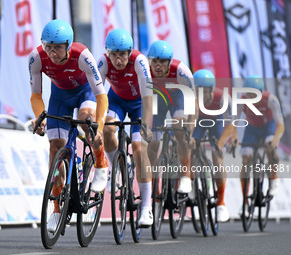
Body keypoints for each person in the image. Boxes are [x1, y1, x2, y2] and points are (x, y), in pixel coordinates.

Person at [29, 20, 109, 232]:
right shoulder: (36, 58)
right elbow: (36, 96)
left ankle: (101, 162)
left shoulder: (82, 55)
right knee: (55, 145)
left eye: (57, 48)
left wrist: (98, 127)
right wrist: (40, 118)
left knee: (86, 120)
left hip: (85, 92)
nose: (52, 53)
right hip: (60, 97)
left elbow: (101, 96)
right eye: (48, 47)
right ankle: (56, 208)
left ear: (68, 45)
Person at [97, 28, 153, 227]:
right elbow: (96, 93)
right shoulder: (103, 62)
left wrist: (145, 126)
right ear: (108, 53)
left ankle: (146, 207)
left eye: (122, 54)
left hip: (140, 104)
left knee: (139, 148)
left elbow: (148, 99)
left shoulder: (139, 61)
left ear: (129, 53)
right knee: (106, 130)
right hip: (117, 100)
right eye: (114, 54)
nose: (118, 59)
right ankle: (116, 168)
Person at [146, 40, 197, 194]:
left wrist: (190, 129)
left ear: (169, 62)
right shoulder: (145, 71)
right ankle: (154, 187)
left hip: (177, 97)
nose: (158, 65)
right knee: (153, 144)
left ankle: (185, 173)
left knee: (178, 126)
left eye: (162, 61)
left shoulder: (181, 71)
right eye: (154, 61)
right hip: (158, 100)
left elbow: (194, 102)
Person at [192, 69, 236, 222]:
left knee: (217, 156)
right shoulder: (190, 98)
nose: (200, 95)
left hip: (216, 122)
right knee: (189, 146)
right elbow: (186, 121)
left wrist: (220, 143)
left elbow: (230, 125)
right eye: (197, 91)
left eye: (204, 91)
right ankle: (192, 179)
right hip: (197, 121)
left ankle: (221, 202)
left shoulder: (223, 98)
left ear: (211, 90)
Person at [238, 76, 284, 199]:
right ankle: (245, 198)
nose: (250, 99)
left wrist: (275, 140)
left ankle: (274, 178)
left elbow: (280, 125)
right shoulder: (242, 101)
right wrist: (233, 138)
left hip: (268, 127)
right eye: (248, 94)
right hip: (252, 129)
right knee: (246, 159)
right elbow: (233, 123)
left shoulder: (271, 99)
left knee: (270, 148)